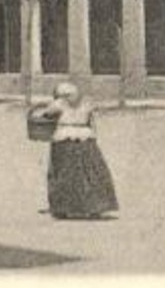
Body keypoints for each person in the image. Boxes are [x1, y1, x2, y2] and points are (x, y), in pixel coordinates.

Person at [33, 81, 118, 220]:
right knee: (91, 174)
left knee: (63, 173)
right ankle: (94, 207)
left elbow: (46, 115)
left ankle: (63, 208)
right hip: (86, 137)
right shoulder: (87, 104)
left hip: (64, 138)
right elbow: (93, 123)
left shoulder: (58, 104)